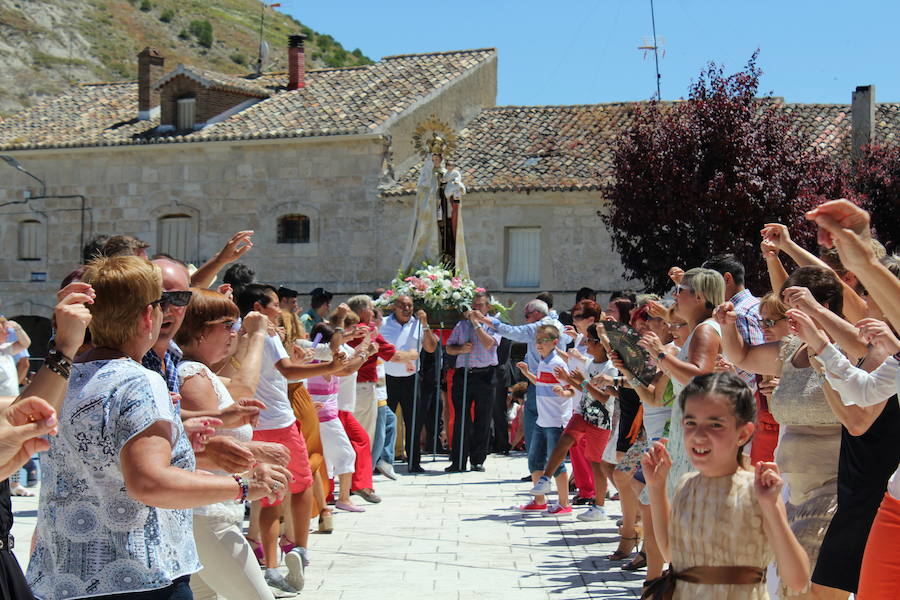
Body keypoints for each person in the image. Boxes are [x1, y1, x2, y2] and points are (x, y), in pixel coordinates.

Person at [28, 256, 290, 600]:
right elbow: (148, 481)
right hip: (136, 577)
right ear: (147, 315)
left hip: (62, 577)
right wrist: (242, 486)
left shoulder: (62, 378)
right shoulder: (138, 380)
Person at [716, 266, 846, 599]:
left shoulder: (847, 350)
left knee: (808, 589)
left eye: (794, 306)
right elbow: (740, 355)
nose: (787, 316)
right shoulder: (790, 350)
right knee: (791, 588)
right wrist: (727, 327)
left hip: (835, 489)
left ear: (824, 306)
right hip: (793, 491)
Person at [641, 372, 810, 599]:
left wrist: (772, 507)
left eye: (715, 424)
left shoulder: (756, 490)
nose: (699, 435)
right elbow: (672, 554)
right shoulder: (687, 485)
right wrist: (656, 487)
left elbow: (797, 580)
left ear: (743, 433)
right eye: (691, 422)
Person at [174, 289, 285, 600]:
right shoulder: (191, 374)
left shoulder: (201, 372)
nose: (234, 332)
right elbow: (204, 450)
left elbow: (240, 390)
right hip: (205, 514)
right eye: (228, 325)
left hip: (211, 511)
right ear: (200, 328)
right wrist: (254, 467)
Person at [236, 283, 346, 594]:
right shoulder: (266, 334)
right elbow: (286, 370)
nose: (280, 310)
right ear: (259, 307)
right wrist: (330, 367)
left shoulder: (234, 331)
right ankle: (298, 548)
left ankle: (271, 566)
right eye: (274, 304)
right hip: (279, 423)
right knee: (301, 486)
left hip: (249, 424)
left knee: (268, 493)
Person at [640, 268, 724, 501]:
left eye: (680, 290)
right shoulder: (705, 327)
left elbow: (699, 377)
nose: (675, 295)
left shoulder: (704, 330)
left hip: (697, 422)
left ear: (699, 297)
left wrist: (661, 355)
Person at [471, 299, 569, 491]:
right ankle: (542, 477)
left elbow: (513, 332)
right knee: (547, 434)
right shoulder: (558, 325)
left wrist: (485, 320)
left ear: (537, 315)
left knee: (539, 431)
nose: (526, 321)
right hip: (545, 385)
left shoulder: (543, 327)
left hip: (544, 388)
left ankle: (541, 473)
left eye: (527, 316)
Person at [530, 323, 617, 521]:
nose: (586, 345)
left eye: (590, 341)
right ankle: (545, 478)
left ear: (601, 344)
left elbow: (603, 397)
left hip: (600, 419)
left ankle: (599, 507)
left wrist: (582, 382)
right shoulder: (589, 363)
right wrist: (569, 379)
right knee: (564, 440)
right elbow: (583, 388)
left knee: (596, 465)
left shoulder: (609, 368)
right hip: (582, 412)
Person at [515, 324, 575, 515]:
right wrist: (527, 374)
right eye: (537, 341)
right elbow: (542, 383)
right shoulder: (543, 362)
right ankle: (539, 500)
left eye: (542, 341)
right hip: (543, 420)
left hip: (556, 421)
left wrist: (564, 392)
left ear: (555, 342)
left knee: (556, 463)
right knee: (534, 460)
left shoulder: (558, 363)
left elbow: (573, 388)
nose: (538, 344)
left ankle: (564, 503)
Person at [306, 323, 363, 513]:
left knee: (322, 462)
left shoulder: (313, 357)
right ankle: (343, 499)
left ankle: (321, 503)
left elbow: (346, 355)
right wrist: (365, 354)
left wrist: (356, 340)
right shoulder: (321, 363)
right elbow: (347, 370)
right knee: (346, 455)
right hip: (325, 419)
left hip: (321, 417)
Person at [380, 295, 438, 472]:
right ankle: (382, 461)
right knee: (384, 421)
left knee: (414, 420)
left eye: (410, 306)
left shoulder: (419, 324)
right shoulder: (382, 323)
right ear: (394, 307)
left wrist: (425, 324)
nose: (406, 309)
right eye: (402, 305)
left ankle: (414, 462)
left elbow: (431, 347)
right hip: (387, 377)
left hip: (411, 379)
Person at [444, 292, 500, 472]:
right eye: (474, 306)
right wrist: (460, 349)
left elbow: (489, 343)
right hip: (465, 374)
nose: (477, 309)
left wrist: (477, 324)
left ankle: (478, 460)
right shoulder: (461, 325)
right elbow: (449, 348)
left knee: (483, 418)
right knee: (462, 418)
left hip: (485, 375)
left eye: (481, 305)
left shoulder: (494, 325)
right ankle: (458, 460)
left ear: (488, 307)